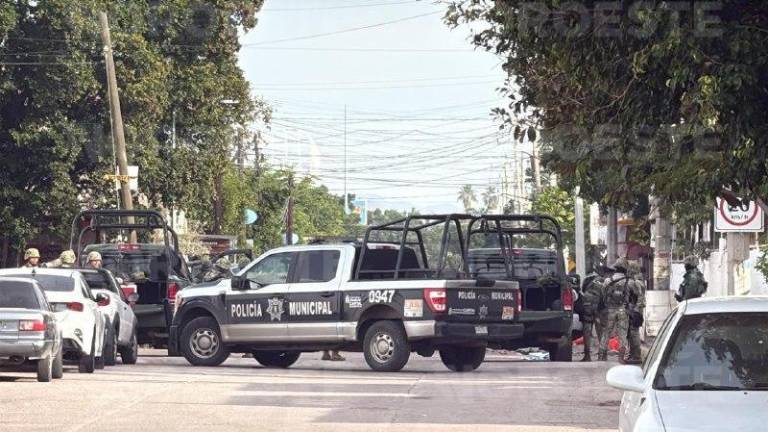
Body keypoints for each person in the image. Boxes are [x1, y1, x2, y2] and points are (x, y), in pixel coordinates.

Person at [598, 257, 642, 363]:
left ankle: (602, 356)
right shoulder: (630, 282)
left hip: (610, 311)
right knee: (623, 334)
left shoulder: (608, 281)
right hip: (623, 310)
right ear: (625, 268)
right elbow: (636, 296)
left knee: (606, 333)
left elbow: (603, 295)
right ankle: (621, 358)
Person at [578, 265, 605, 362]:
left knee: (587, 330)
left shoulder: (588, 279)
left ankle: (587, 355)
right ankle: (602, 356)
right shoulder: (605, 280)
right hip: (599, 307)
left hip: (587, 305)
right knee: (600, 331)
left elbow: (583, 290)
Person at [626, 261, 647, 364]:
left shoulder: (637, 282)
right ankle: (632, 354)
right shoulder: (637, 280)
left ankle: (636, 355)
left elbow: (640, 298)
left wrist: (635, 311)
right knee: (631, 332)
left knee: (634, 332)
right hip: (634, 309)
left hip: (635, 310)